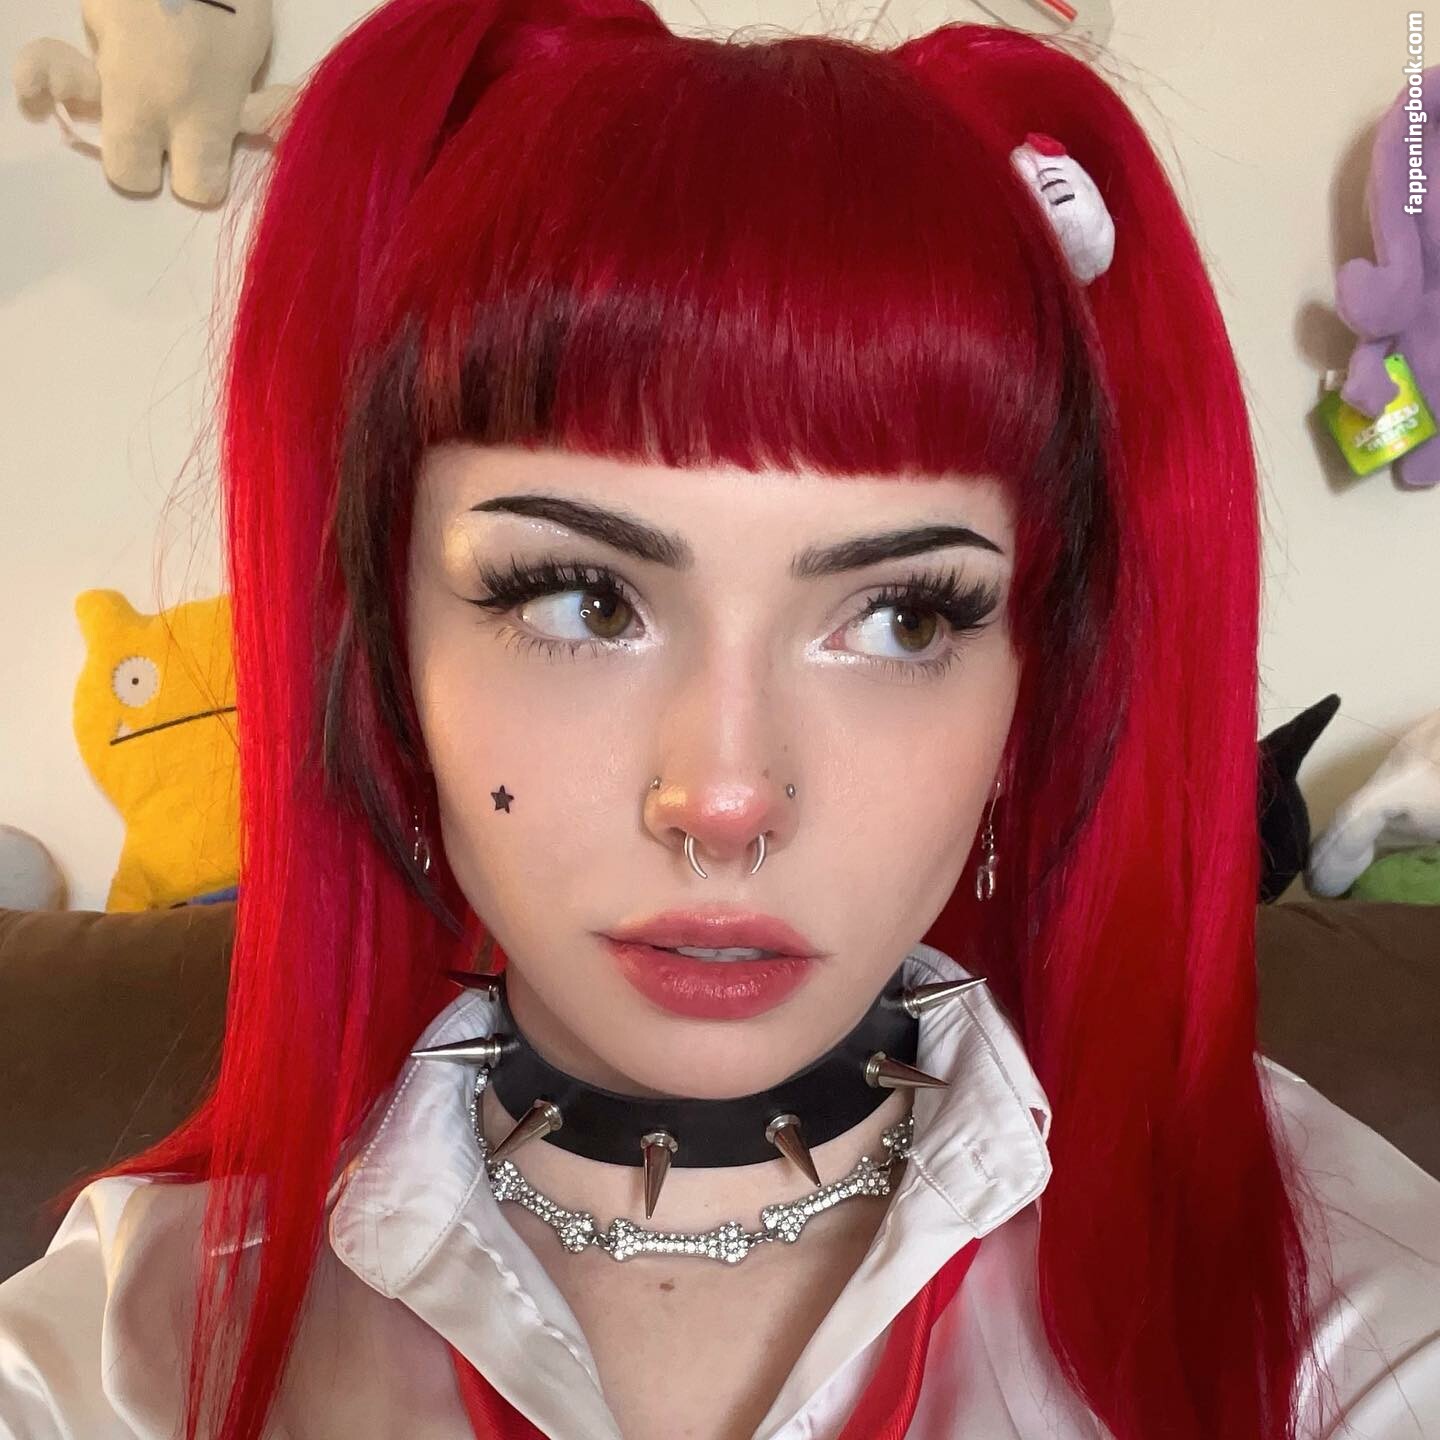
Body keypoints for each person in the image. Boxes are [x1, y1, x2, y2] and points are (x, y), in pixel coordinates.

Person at [3, 1, 1438, 1437]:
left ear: (1028, 688)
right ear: (388, 650)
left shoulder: (1335, 1303)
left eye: (903, 619)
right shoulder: (120, 1354)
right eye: (582, 601)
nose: (729, 800)